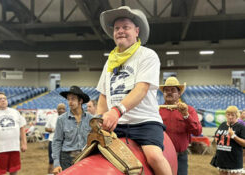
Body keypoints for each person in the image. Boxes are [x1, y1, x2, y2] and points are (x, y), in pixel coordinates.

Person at [97, 6, 172, 175]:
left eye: (126, 27)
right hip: (117, 124)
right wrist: (99, 120)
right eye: (117, 28)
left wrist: (116, 111)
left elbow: (141, 89)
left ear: (136, 31)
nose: (120, 31)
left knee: (154, 157)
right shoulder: (109, 61)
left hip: (144, 122)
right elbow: (103, 94)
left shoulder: (147, 55)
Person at [159, 77, 202, 175]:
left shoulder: (189, 110)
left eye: (173, 90)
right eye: (166, 90)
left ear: (179, 94)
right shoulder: (157, 110)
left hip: (181, 156)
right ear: (163, 93)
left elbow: (197, 131)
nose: (169, 92)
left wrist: (186, 115)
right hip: (162, 155)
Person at [52, 86, 93, 174]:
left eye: (73, 99)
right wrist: (56, 163)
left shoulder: (91, 119)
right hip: (66, 159)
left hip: (85, 157)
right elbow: (56, 141)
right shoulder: (61, 119)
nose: (70, 102)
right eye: (68, 99)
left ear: (80, 101)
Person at [0, 92, 27, 175]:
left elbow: (22, 128)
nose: (3, 100)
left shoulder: (15, 112)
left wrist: (24, 143)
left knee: (14, 171)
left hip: (14, 147)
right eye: (0, 99)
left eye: (4, 98)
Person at [212, 106, 245, 175]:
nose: (230, 117)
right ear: (226, 115)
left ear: (237, 115)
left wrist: (234, 136)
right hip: (222, 159)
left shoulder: (241, 127)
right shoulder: (222, 125)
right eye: (228, 114)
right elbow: (216, 136)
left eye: (233, 115)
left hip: (234, 159)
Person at [45, 103, 66, 175]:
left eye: (63, 109)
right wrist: (54, 130)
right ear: (57, 110)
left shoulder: (68, 118)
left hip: (64, 143)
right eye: (60, 109)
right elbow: (46, 128)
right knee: (51, 161)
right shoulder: (52, 117)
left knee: (63, 161)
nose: (62, 110)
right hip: (52, 142)